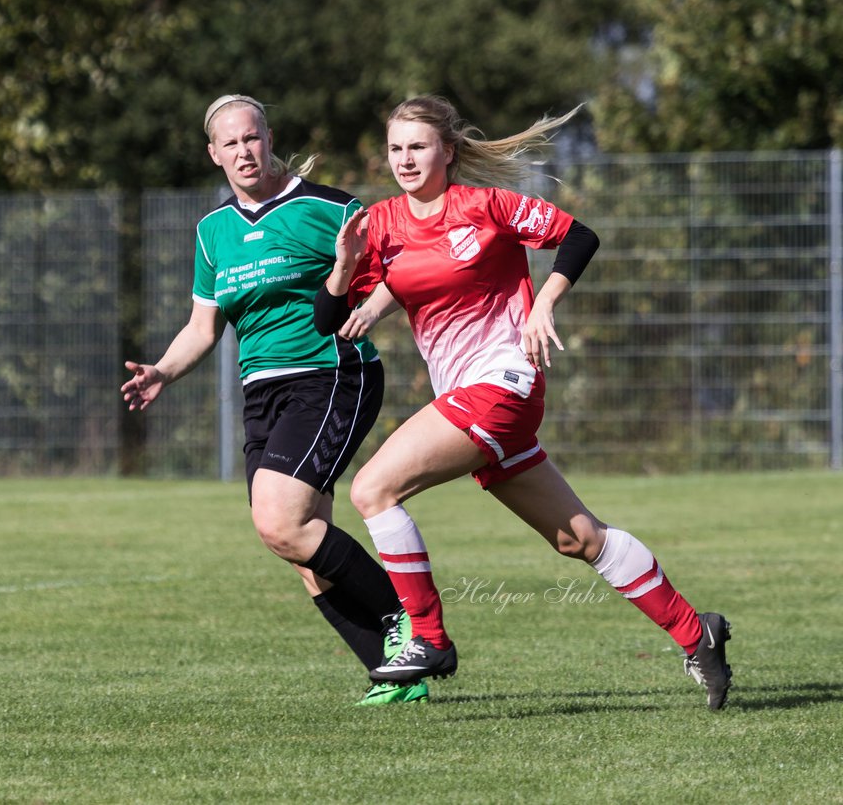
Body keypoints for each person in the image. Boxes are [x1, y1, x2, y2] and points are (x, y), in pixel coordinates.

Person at [314, 94, 733, 711]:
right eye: (396, 148)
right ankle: (700, 634)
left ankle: (428, 640)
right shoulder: (379, 226)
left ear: (447, 152)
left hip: (503, 384)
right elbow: (332, 318)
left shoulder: (484, 205)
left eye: (418, 146)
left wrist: (544, 302)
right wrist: (344, 267)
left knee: (373, 490)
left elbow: (579, 236)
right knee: (579, 539)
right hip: (465, 395)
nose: (405, 159)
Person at [122, 94, 426, 705]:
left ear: (269, 137)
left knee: (280, 521)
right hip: (261, 393)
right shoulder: (213, 233)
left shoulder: (329, 208)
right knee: (302, 547)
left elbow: (397, 275)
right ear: (214, 155)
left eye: (252, 137)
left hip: (331, 374)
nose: (244, 151)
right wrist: (162, 371)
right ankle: (392, 675)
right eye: (230, 143)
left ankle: (412, 626)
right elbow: (203, 328)